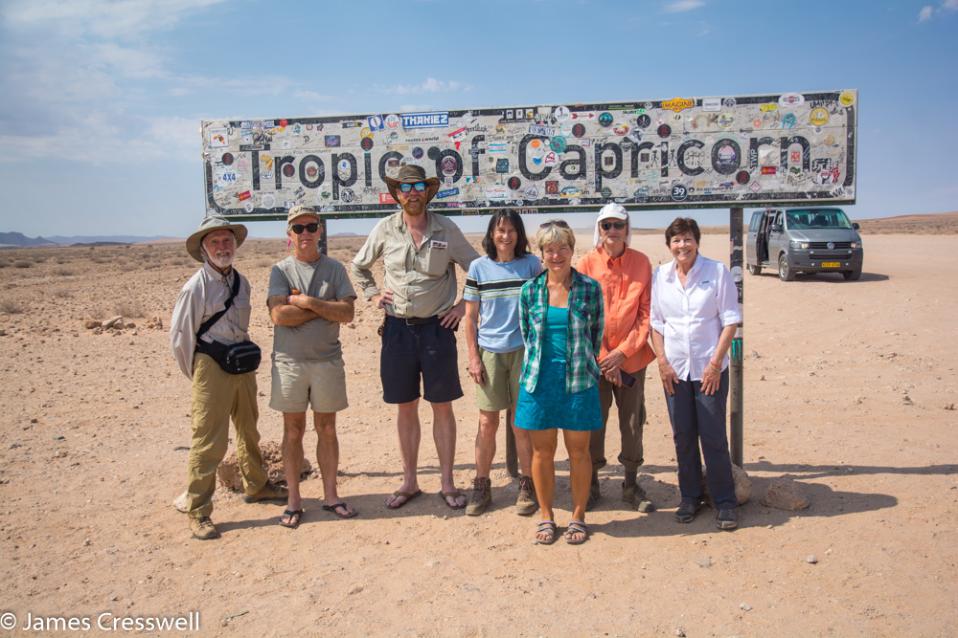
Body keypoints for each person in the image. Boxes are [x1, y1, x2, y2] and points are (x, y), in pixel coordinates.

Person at [351, 165, 480, 510]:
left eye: (418, 186)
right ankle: (409, 481)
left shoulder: (446, 229)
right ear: (396, 194)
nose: (412, 192)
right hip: (397, 330)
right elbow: (359, 266)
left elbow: (478, 270)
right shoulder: (385, 229)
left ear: (427, 191)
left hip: (438, 331)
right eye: (404, 187)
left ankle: (448, 483)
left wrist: (462, 307)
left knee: (442, 407)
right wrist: (372, 295)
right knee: (405, 407)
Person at [170, 216, 287, 541]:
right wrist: (200, 375)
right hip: (211, 365)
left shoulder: (243, 282)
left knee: (249, 428)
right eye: (215, 242)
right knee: (209, 440)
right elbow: (181, 338)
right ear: (204, 249)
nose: (222, 247)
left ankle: (257, 485)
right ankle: (198, 510)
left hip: (241, 363)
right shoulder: (196, 287)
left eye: (227, 241)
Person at [267, 206, 357, 529]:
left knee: (327, 429)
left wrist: (304, 302)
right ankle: (294, 500)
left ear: (320, 231)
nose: (305, 233)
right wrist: (325, 309)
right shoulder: (280, 271)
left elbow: (347, 313)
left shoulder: (334, 269)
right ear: (289, 235)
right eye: (298, 228)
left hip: (327, 361)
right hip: (289, 363)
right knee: (292, 431)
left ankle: (331, 496)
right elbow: (278, 316)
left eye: (310, 227)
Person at [515, 221, 604, 545]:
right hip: (539, 381)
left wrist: (581, 363)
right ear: (541, 254)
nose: (556, 255)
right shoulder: (530, 291)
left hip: (579, 380)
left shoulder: (590, 289)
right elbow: (527, 335)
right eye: (549, 249)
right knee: (542, 451)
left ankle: (578, 517)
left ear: (572, 249)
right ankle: (546, 516)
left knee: (579, 452)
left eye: (562, 247)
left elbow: (596, 336)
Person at [650, 217, 742, 530]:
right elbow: (656, 323)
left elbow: (730, 320)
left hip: (708, 370)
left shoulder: (716, 272)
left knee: (713, 437)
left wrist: (716, 363)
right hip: (674, 370)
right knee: (683, 436)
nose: (682, 246)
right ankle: (689, 497)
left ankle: (725, 501)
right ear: (669, 245)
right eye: (676, 240)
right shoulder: (661, 276)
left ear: (697, 241)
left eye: (688, 239)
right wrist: (662, 361)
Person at [462, 210, 541, 516]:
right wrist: (473, 357)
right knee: (487, 422)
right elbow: (470, 318)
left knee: (521, 424)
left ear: (519, 235)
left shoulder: (532, 265)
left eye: (511, 230)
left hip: (523, 352)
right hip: (490, 353)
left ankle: (527, 484)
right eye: (500, 230)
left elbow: (541, 306)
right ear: (491, 234)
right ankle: (481, 486)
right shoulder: (479, 268)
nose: (505, 236)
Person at [578, 203, 656, 513]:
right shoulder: (585, 264)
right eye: (606, 225)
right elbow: (579, 313)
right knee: (594, 421)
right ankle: (592, 483)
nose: (612, 231)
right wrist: (602, 357)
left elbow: (646, 314)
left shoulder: (642, 263)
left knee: (633, 421)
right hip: (594, 363)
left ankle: (631, 483)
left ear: (627, 228)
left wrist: (622, 353)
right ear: (599, 228)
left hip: (631, 360)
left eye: (618, 225)